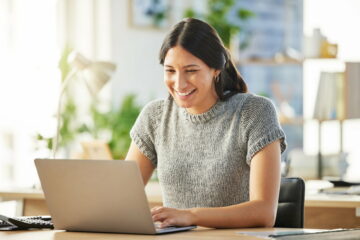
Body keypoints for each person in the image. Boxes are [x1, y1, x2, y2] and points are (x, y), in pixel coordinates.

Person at [126, 18, 286, 229]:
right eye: (170, 71)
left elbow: (264, 212)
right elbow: (122, 197)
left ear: (215, 70)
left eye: (191, 71)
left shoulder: (254, 112)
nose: (179, 83)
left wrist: (191, 216)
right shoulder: (155, 116)